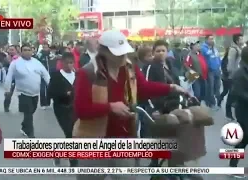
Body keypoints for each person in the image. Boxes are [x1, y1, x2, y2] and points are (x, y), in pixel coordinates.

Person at [74, 30, 186, 180]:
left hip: (124, 137)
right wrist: (110, 107)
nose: (122, 56)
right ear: (104, 52)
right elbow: (81, 110)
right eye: (117, 53)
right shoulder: (88, 72)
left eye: (124, 52)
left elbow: (143, 88)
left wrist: (170, 88)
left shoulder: (129, 68)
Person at [4, 44, 50, 138]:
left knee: (32, 111)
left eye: (29, 50)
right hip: (23, 93)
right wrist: (7, 89)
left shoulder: (36, 62)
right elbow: (9, 76)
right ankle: (31, 133)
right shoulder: (15, 63)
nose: (27, 52)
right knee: (28, 113)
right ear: (21, 52)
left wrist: (51, 86)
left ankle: (24, 126)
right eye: (25, 50)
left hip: (35, 93)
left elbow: (45, 74)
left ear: (32, 51)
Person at [47, 52, 77, 167]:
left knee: (75, 134)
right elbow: (50, 92)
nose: (69, 65)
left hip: (75, 108)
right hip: (61, 108)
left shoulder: (77, 75)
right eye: (67, 63)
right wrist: (65, 94)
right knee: (70, 133)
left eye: (71, 63)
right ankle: (73, 161)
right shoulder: (56, 76)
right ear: (62, 63)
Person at [219, 34, 243, 120]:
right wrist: (231, 75)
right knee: (231, 95)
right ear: (237, 40)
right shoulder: (233, 50)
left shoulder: (239, 49)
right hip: (232, 77)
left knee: (235, 95)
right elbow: (230, 63)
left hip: (237, 76)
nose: (242, 40)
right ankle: (228, 113)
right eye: (241, 39)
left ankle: (235, 113)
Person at [201, 35, 221, 109]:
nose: (212, 40)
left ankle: (218, 101)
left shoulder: (214, 48)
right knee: (210, 87)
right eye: (211, 39)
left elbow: (218, 58)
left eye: (213, 39)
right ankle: (211, 103)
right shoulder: (203, 48)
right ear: (206, 40)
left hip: (217, 70)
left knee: (218, 86)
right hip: (210, 71)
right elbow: (205, 57)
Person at [3, 45, 19, 112]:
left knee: (21, 93)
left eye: (13, 50)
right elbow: (5, 68)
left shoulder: (19, 58)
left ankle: (22, 107)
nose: (11, 51)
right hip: (10, 79)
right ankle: (6, 107)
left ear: (16, 50)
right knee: (9, 93)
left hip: (18, 78)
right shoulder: (6, 58)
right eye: (10, 50)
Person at [37, 43, 52, 109]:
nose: (45, 49)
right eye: (44, 47)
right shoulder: (40, 54)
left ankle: (48, 102)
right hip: (42, 75)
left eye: (46, 47)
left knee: (49, 89)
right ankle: (42, 104)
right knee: (42, 89)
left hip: (50, 73)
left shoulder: (51, 54)